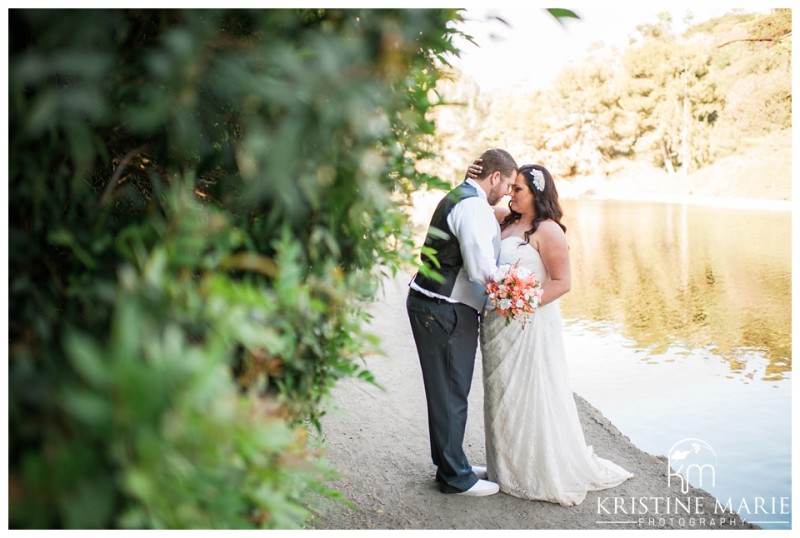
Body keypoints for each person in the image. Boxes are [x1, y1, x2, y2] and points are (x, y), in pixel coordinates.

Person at [468, 161, 634, 505]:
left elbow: (562, 282)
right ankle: (502, 467)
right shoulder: (504, 220)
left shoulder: (549, 232)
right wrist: (472, 176)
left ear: (537, 194)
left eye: (518, 190)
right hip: (498, 325)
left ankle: (531, 470)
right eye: (510, 188)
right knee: (499, 393)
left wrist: (523, 302)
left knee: (528, 391)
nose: (511, 194)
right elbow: (475, 201)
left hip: (528, 324)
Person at [406, 148, 518, 497]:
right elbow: (480, 269)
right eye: (509, 185)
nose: (508, 194)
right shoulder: (472, 206)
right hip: (445, 308)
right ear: (495, 177)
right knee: (451, 391)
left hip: (437, 304)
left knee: (448, 390)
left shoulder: (466, 198)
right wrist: (513, 290)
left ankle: (453, 465)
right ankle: (456, 476)